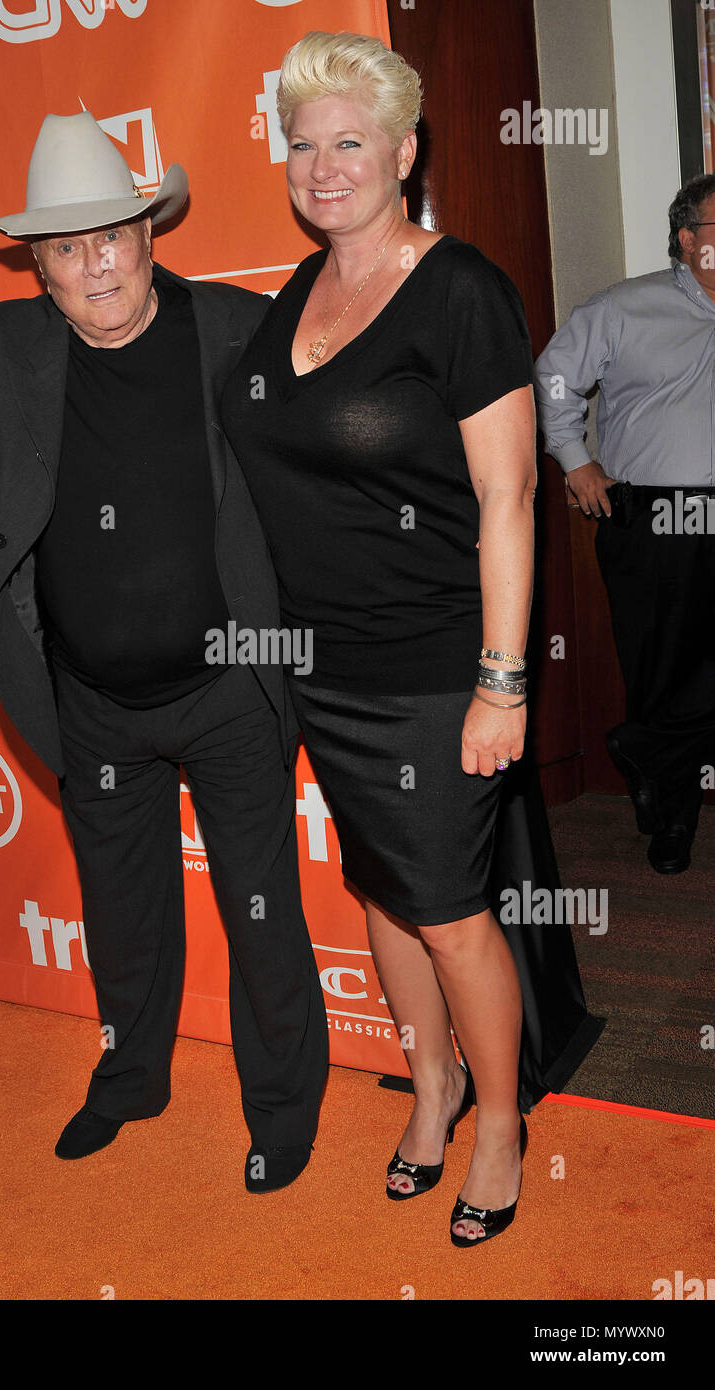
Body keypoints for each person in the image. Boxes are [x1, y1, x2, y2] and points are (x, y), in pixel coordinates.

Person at [0, 111, 328, 1193]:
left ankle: (282, 1110)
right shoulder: (10, 350)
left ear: (150, 233)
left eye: (110, 234)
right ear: (39, 266)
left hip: (231, 688)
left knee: (258, 906)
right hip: (89, 697)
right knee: (122, 911)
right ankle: (131, 1076)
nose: (93, 262)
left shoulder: (239, 331)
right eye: (65, 247)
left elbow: (338, 459)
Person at [222, 30, 544, 1248]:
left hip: (431, 671)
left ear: (405, 151)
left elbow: (508, 501)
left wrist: (500, 684)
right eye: (302, 146)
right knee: (382, 893)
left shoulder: (458, 290)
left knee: (450, 907)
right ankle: (433, 1089)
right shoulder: (291, 297)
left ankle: (503, 1124)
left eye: (348, 141)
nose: (321, 166)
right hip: (325, 675)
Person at [535, 174, 715, 875]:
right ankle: (670, 820)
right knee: (664, 672)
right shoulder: (625, 305)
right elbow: (552, 378)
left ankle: (643, 746)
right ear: (687, 238)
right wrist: (574, 459)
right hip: (657, 515)